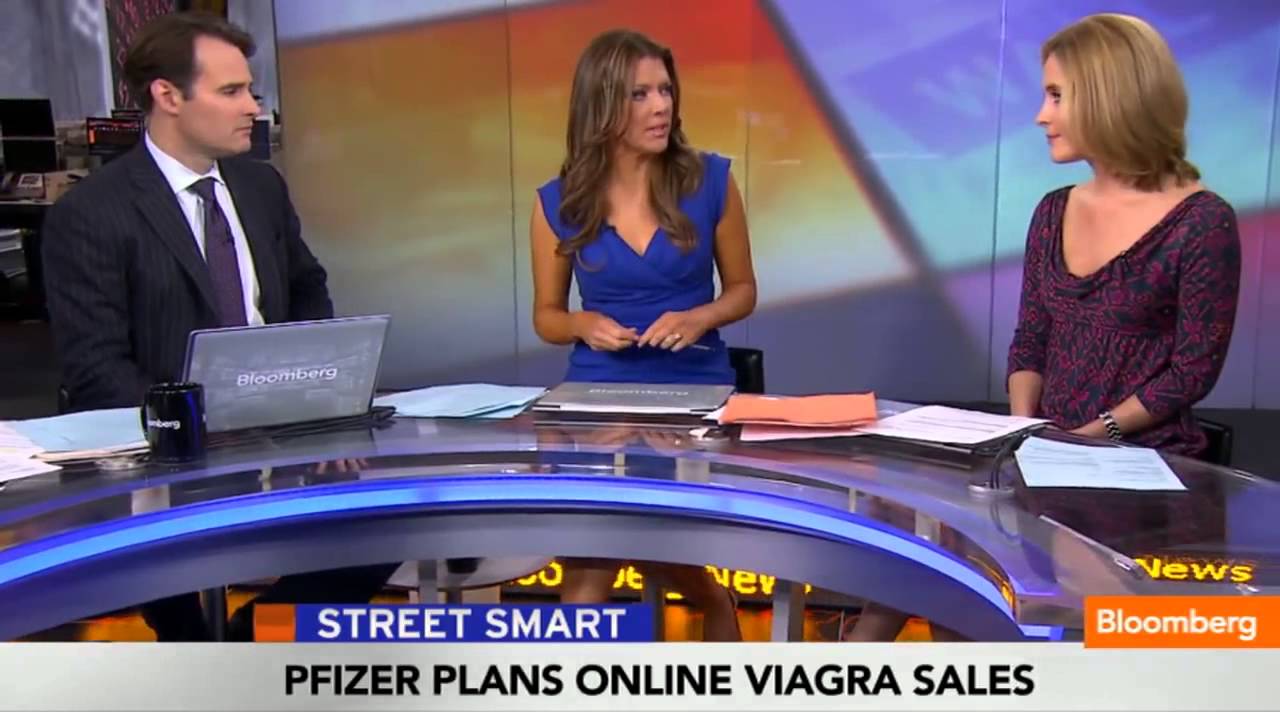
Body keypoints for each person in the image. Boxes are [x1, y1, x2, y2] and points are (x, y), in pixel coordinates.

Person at [847, 13, 1241, 643]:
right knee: (928, 557)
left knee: (1003, 588)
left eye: (1056, 95)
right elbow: (1030, 339)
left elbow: (1193, 370)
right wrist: (1021, 432)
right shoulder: (1054, 210)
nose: (1040, 115)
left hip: (1138, 471)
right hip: (1045, 456)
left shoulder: (1202, 223)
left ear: (1109, 96)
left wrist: (1088, 437)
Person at [41, 11, 397, 641]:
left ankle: (238, 647)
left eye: (251, 91)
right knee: (182, 606)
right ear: (168, 95)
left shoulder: (260, 186)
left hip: (284, 436)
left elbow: (306, 288)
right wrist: (206, 434)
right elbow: (96, 369)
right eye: (232, 91)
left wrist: (322, 396)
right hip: (162, 463)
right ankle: (212, 655)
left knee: (383, 530)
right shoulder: (91, 213)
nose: (253, 108)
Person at [528, 29, 757, 640]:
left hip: (692, 388)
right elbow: (547, 316)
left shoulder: (710, 180)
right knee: (593, 555)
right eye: (639, 94)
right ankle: (707, 603)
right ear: (601, 106)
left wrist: (699, 317)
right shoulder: (559, 203)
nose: (661, 107)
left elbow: (743, 290)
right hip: (598, 393)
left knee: (633, 533)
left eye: (665, 90)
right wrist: (581, 324)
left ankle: (713, 608)